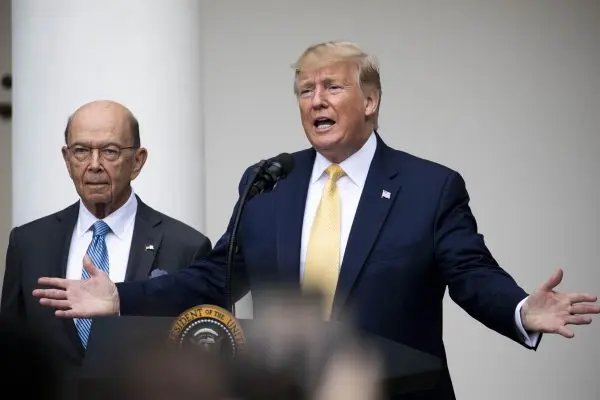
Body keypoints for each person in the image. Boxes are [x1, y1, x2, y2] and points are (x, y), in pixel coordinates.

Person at [31, 43, 599, 399]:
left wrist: (522, 307)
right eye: (305, 90)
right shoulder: (269, 180)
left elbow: (472, 273)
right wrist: (120, 299)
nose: (315, 100)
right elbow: (213, 280)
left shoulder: (429, 187)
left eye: (331, 86)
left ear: (371, 100)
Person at [1, 100, 212, 376]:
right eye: (81, 151)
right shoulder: (28, 243)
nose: (94, 164)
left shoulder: (186, 248)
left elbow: (206, 364)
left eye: (110, 152)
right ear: (67, 160)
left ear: (138, 161)